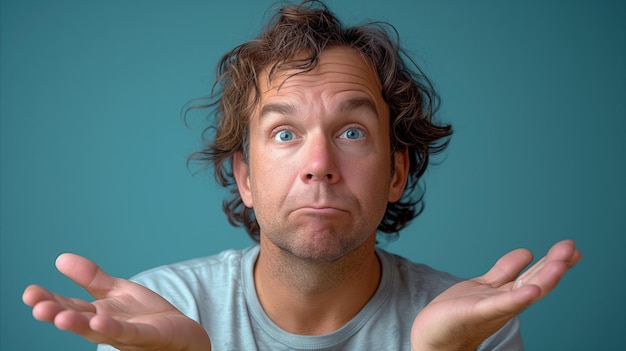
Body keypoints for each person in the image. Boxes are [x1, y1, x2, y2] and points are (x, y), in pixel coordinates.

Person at [22, 1, 582, 350]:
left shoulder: (470, 326)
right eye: (285, 134)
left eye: (353, 132)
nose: (319, 165)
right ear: (243, 176)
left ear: (395, 173)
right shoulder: (153, 314)